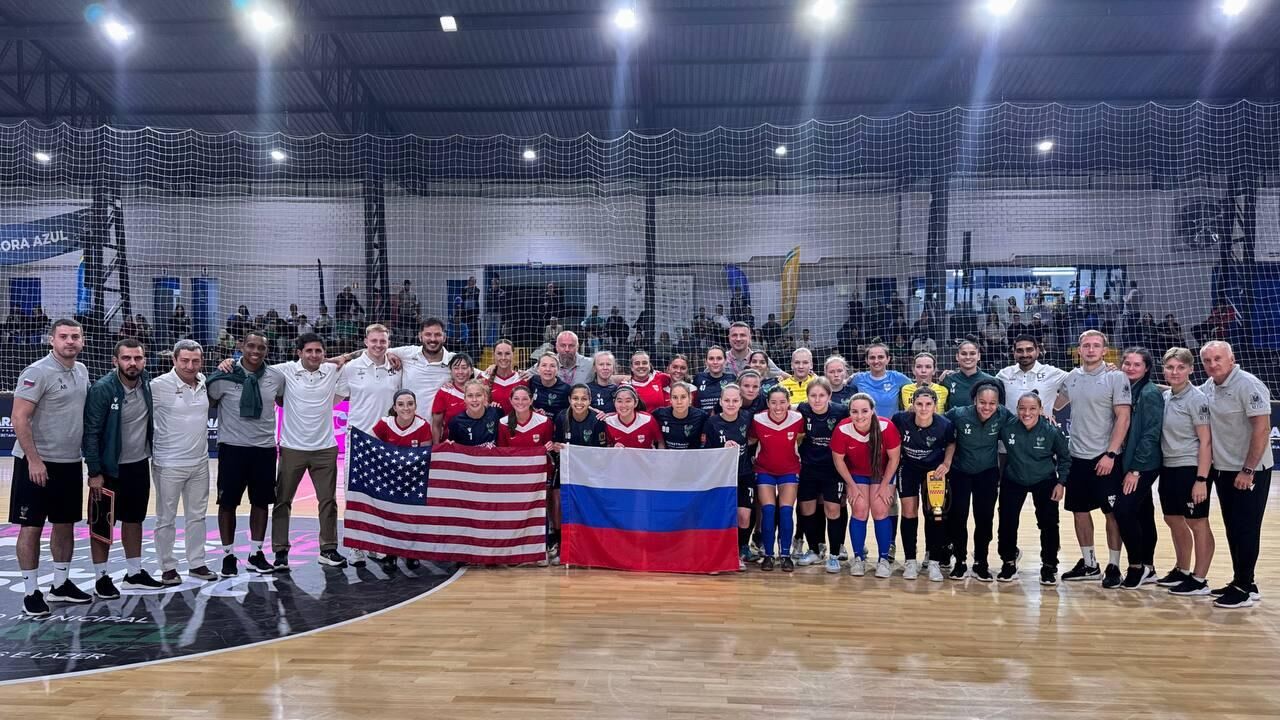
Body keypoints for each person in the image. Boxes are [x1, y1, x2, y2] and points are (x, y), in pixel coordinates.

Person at [9, 319, 92, 615]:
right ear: (51, 340)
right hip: (36, 463)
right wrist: (34, 459)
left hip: (69, 462)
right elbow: (19, 417)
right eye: (64, 336)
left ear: (82, 341)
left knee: (65, 524)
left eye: (75, 337)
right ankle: (31, 592)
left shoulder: (81, 370)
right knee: (31, 527)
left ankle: (60, 585)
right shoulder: (37, 371)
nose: (70, 341)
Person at [83, 338, 165, 596]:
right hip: (108, 469)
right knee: (102, 525)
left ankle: (134, 573)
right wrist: (94, 472)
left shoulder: (148, 384)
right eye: (126, 358)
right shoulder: (102, 389)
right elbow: (91, 433)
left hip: (138, 465)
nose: (132, 363)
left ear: (144, 360)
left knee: (134, 520)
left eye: (137, 358)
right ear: (115, 361)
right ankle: (101, 578)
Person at [1054, 330, 1132, 587]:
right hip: (1077, 457)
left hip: (1105, 458)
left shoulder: (1115, 377)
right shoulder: (1071, 378)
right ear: (1079, 350)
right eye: (1086, 345)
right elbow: (1055, 403)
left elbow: (1123, 417)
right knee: (1079, 511)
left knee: (1112, 514)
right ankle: (1089, 565)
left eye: (1096, 346)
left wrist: (1111, 453)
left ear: (1104, 350)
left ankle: (1114, 566)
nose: (1090, 350)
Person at [1199, 341, 1273, 609]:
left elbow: (1262, 429)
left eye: (1218, 358)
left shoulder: (1248, 385)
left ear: (1231, 359)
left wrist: (1248, 469)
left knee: (1246, 528)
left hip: (1249, 472)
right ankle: (1243, 582)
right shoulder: (1209, 387)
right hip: (1223, 470)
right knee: (1233, 528)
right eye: (1207, 360)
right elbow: (1182, 390)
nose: (1213, 364)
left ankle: (1243, 586)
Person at [206, 331, 286, 577]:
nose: (255, 351)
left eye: (261, 347)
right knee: (227, 503)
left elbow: (282, 401)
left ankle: (255, 553)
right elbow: (208, 401)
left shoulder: (276, 377)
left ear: (266, 350)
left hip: (264, 449)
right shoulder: (224, 375)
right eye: (251, 346)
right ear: (241, 346)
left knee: (261, 502)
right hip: (232, 448)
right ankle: (228, 556)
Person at [269, 333, 350, 571]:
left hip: (325, 449)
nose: (314, 355)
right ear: (299, 353)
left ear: (324, 353)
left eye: (318, 351)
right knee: (282, 501)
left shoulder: (332, 370)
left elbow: (362, 355)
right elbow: (256, 366)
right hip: (292, 448)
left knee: (328, 501)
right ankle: (280, 552)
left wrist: (343, 358)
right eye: (309, 351)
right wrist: (229, 362)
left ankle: (328, 549)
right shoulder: (285, 370)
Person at [150, 339, 217, 585]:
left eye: (195, 361)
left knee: (197, 517)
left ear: (202, 361)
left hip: (199, 463)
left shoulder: (204, 382)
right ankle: (167, 567)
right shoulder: (158, 386)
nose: (190, 366)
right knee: (165, 518)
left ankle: (197, 563)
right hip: (168, 464)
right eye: (185, 361)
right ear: (174, 360)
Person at [1157, 348, 1215, 597]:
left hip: (1191, 468)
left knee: (1197, 522)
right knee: (1172, 519)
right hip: (1168, 467)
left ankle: (1199, 579)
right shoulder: (1166, 396)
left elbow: (1206, 441)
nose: (1175, 372)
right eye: (1170, 367)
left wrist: (1201, 479)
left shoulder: (1197, 399)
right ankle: (1182, 570)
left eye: (1181, 367)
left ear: (1191, 369)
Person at [997, 392, 1071, 584]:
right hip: (1014, 479)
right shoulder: (1007, 427)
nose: (1027, 413)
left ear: (1041, 410)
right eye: (1022, 408)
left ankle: (1049, 565)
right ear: (1016, 409)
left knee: (1049, 523)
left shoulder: (1051, 430)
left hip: (1044, 480)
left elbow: (1065, 458)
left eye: (1032, 409)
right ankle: (1008, 561)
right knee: (1007, 521)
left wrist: (1061, 483)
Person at [944, 381, 1013, 583]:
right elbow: (936, 422)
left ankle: (981, 562)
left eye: (992, 403)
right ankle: (960, 561)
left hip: (987, 473)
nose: (987, 407)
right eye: (982, 402)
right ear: (974, 400)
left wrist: (1043, 417)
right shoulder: (958, 414)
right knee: (958, 517)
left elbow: (1024, 423)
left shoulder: (1003, 415)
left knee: (984, 518)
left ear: (998, 403)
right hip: (960, 473)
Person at [831, 393, 902, 579]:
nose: (859, 416)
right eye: (854, 411)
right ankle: (858, 558)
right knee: (860, 509)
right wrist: (852, 486)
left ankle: (883, 559)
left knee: (880, 509)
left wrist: (885, 485)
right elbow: (838, 461)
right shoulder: (843, 429)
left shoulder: (886, 427)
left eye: (864, 411)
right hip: (856, 474)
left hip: (882, 473)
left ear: (872, 411)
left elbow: (894, 459)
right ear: (849, 412)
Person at [892, 386, 957, 582]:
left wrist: (947, 463)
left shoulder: (945, 425)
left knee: (935, 512)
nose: (923, 408)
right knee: (909, 511)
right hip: (908, 468)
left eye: (928, 404)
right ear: (912, 404)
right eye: (919, 404)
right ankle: (910, 560)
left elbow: (951, 443)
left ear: (935, 406)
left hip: (933, 471)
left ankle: (934, 560)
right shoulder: (900, 419)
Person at [1114, 347, 1165, 589]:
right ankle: (1149, 567)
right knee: (1144, 513)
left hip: (1143, 464)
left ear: (1146, 368)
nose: (1131, 368)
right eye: (1127, 363)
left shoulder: (1149, 393)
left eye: (1137, 364)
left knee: (1123, 511)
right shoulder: (1125, 388)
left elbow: (1150, 433)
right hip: (1129, 462)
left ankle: (1136, 566)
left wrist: (1135, 470)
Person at [795, 378, 848, 572]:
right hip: (808, 468)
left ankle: (834, 555)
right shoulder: (802, 409)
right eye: (813, 396)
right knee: (807, 509)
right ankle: (814, 550)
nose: (817, 400)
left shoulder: (841, 412)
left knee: (833, 509)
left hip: (833, 469)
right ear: (807, 397)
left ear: (829, 396)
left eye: (821, 395)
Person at [551, 384, 609, 562]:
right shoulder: (561, 417)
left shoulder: (597, 420)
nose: (579, 402)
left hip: (589, 470)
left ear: (590, 401)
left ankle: (589, 544)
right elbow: (556, 444)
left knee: (589, 501)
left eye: (584, 399)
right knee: (557, 497)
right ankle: (560, 543)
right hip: (566, 466)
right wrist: (556, 447)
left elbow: (601, 452)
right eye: (575, 398)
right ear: (569, 400)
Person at [700, 384, 755, 570]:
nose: (731, 404)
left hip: (744, 473)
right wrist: (722, 450)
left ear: (741, 402)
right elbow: (706, 452)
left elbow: (754, 438)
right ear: (721, 402)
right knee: (723, 516)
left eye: (735, 400)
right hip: (721, 477)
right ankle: (724, 553)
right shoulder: (712, 422)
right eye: (727, 400)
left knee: (744, 516)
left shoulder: (747, 418)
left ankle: (741, 550)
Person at [751, 386, 805, 572]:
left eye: (782, 402)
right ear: (767, 403)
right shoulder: (758, 419)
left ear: (789, 403)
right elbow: (751, 440)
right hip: (764, 469)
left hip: (789, 470)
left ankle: (785, 555)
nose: (778, 406)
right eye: (773, 402)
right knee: (768, 510)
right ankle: (768, 554)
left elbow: (801, 437)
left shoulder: (797, 418)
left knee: (785, 511)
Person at [383, 317, 454, 417]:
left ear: (444, 337)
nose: (433, 339)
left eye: (437, 335)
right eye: (428, 334)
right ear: (420, 337)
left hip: (439, 424)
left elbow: (476, 375)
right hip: (409, 423)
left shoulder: (454, 361)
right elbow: (376, 351)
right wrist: (388, 354)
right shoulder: (409, 353)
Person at [996, 335, 1069, 415]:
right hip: (1011, 423)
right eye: (1020, 350)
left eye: (1029, 350)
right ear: (1014, 353)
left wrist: (1056, 407)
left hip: (1042, 423)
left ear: (1037, 351)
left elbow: (1076, 382)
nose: (1025, 355)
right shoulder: (1004, 374)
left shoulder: (1051, 373)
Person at [851, 343, 911, 414]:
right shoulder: (858, 378)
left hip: (891, 421)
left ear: (888, 359)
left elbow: (915, 388)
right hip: (865, 421)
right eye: (872, 357)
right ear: (866, 360)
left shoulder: (897, 377)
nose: (876, 361)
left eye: (880, 357)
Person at [942, 340, 1003, 409]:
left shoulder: (992, 382)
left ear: (979, 356)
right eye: (964, 354)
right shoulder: (948, 380)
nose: (968, 357)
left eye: (972, 353)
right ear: (957, 357)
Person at [431, 354, 475, 442]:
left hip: (477, 444)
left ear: (472, 370)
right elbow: (436, 425)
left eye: (464, 368)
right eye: (456, 368)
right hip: (451, 444)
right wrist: (437, 448)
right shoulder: (444, 392)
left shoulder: (481, 389)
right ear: (451, 371)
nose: (460, 372)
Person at [446, 380, 504, 447]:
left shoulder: (496, 413)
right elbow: (452, 448)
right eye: (470, 396)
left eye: (478, 395)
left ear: (485, 397)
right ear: (465, 399)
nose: (474, 400)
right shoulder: (456, 422)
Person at [654, 382, 708, 450]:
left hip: (692, 456)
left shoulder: (701, 416)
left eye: (683, 397)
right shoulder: (659, 414)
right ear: (670, 400)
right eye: (675, 397)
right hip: (668, 455)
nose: (679, 402)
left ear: (690, 399)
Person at [692, 345, 736, 415]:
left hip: (724, 419)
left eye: (719, 358)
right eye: (711, 358)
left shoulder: (732, 379)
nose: (715, 362)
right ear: (706, 362)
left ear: (725, 361)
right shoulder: (698, 378)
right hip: (702, 420)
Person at [484, 339, 523, 414]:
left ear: (513, 354)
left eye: (507, 353)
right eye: (499, 353)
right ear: (494, 355)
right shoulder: (485, 378)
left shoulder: (523, 379)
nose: (503, 357)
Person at [531, 352, 573, 419]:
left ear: (558, 369)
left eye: (552, 366)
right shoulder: (532, 381)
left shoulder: (566, 390)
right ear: (538, 368)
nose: (548, 369)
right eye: (544, 365)